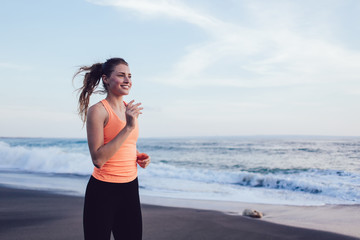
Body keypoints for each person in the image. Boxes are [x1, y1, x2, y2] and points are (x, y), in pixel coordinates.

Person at [74, 57, 150, 240]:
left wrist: (138, 156)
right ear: (106, 79)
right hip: (103, 191)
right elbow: (98, 159)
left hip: (130, 188)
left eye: (129, 76)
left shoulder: (128, 109)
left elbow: (125, 144)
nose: (127, 80)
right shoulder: (98, 111)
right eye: (121, 75)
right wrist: (129, 127)